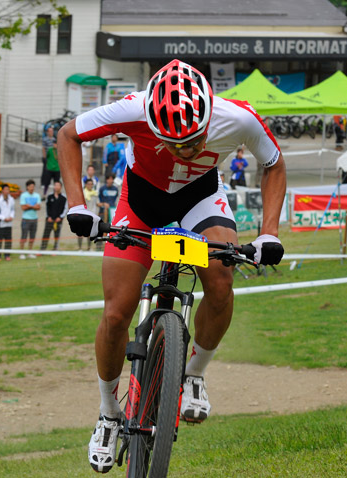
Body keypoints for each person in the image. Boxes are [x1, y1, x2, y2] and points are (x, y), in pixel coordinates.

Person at [57, 59, 285, 473]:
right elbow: (68, 135)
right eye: (173, 143)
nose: (184, 150)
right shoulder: (133, 108)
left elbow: (273, 163)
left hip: (199, 203)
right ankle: (109, 412)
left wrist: (268, 232)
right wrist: (78, 205)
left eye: (193, 140)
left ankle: (194, 372)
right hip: (141, 204)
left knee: (220, 279)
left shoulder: (237, 117)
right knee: (116, 312)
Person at [41, 180, 67, 252]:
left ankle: (55, 249)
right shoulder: (49, 196)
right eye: (55, 185)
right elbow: (46, 207)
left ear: (61, 187)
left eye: (58, 185)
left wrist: (61, 217)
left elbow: (65, 208)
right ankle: (42, 249)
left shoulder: (64, 197)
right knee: (46, 235)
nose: (56, 187)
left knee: (57, 235)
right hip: (49, 220)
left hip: (58, 220)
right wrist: (48, 217)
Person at [19, 179, 41, 259]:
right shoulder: (23, 195)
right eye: (30, 186)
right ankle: (21, 253)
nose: (32, 188)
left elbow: (38, 207)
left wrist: (29, 206)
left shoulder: (37, 195)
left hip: (34, 219)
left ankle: (30, 252)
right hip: (25, 219)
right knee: (24, 236)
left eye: (33, 186)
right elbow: (23, 207)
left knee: (32, 237)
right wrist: (33, 206)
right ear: (27, 187)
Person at [0, 184, 15, 261]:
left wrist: (11, 216)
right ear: (2, 190)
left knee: (8, 239)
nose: (7, 191)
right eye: (5, 190)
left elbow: (12, 209)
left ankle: (7, 255)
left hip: (9, 222)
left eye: (8, 190)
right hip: (2, 223)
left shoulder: (11, 199)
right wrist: (3, 218)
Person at [77, 178, 99, 252]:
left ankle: (89, 248)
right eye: (88, 184)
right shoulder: (82, 194)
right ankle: (80, 248)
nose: (90, 185)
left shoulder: (95, 193)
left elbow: (97, 203)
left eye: (91, 184)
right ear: (86, 185)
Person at [41, 127, 58, 197]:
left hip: (55, 165)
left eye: (52, 131)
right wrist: (45, 157)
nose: (51, 132)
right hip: (48, 158)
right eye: (50, 131)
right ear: (48, 132)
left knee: (56, 179)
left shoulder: (54, 139)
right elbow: (44, 148)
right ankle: (43, 183)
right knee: (45, 172)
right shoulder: (45, 139)